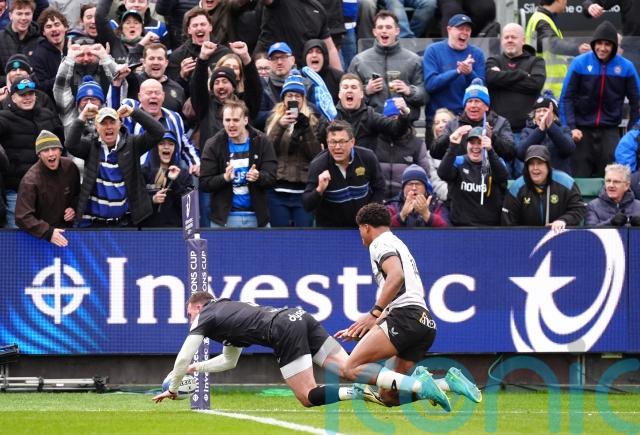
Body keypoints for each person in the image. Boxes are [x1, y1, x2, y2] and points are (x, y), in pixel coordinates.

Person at [152, 291, 455, 408]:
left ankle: (356, 393)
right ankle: (437, 384)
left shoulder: (206, 314)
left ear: (199, 307)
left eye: (189, 313)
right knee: (348, 367)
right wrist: (198, 369)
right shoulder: (227, 313)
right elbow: (229, 362)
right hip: (299, 316)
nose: (190, 319)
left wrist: (174, 386)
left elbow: (182, 355)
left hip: (283, 330)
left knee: (307, 397)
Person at [336, 202, 482, 408]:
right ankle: (447, 383)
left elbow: (396, 276)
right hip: (424, 322)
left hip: (405, 318)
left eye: (359, 228)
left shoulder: (379, 244)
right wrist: (370, 323)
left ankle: (421, 384)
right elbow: (402, 292)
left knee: (350, 368)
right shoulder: (397, 243)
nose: (360, 234)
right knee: (389, 396)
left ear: (366, 227)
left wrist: (374, 314)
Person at [560, 20, 640, 178]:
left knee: (611, 179)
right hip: (581, 131)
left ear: (614, 47)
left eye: (607, 44)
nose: (602, 48)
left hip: (610, 130)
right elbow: (566, 98)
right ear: (593, 43)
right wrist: (570, 127)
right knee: (579, 178)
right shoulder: (579, 63)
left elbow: (637, 102)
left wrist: (632, 131)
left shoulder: (626, 67)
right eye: (599, 43)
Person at [65, 104, 165, 227]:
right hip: (94, 223)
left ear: (120, 125)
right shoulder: (90, 146)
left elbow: (158, 132)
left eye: (112, 122)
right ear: (96, 127)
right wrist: (83, 116)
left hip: (124, 223)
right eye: (103, 123)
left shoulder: (132, 144)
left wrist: (134, 112)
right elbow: (70, 144)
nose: (108, 127)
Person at [199, 99, 277, 228]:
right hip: (224, 219)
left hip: (257, 217)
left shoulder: (262, 141)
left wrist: (258, 177)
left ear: (245, 120)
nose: (231, 125)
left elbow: (272, 178)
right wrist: (224, 178)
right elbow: (204, 183)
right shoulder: (213, 144)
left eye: (235, 120)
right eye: (227, 120)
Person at [0, 78, 64, 228]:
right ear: (13, 97)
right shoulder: (4, 118)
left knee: (47, 235)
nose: (27, 98)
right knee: (17, 238)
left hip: (47, 191)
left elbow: (62, 147)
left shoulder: (48, 115)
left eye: (30, 94)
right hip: (16, 191)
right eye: (22, 95)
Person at [265, 70, 323, 227]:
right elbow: (268, 151)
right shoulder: (273, 119)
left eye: (297, 96)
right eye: (289, 95)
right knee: (279, 236)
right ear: (283, 98)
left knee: (303, 236)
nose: (293, 99)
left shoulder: (313, 120)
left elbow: (315, 155)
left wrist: (306, 130)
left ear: (303, 99)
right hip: (277, 190)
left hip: (303, 190)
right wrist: (280, 126)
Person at [303, 120, 386, 227]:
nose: (337, 147)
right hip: (331, 229)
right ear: (327, 143)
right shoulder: (318, 165)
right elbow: (307, 205)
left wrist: (369, 215)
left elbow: (379, 188)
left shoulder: (367, 157)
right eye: (333, 142)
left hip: (363, 226)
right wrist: (319, 190)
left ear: (352, 142)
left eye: (342, 142)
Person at [348, 10, 425, 121]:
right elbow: (347, 96)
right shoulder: (359, 61)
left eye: (388, 27)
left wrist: (409, 91)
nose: (384, 31)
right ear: (374, 32)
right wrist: (366, 90)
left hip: (404, 124)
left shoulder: (413, 60)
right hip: (370, 126)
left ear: (397, 31)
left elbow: (425, 95)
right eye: (380, 27)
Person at [15, 130, 80, 246]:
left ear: (60, 150)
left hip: (67, 232)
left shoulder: (70, 167)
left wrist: (73, 208)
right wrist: (48, 232)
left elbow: (78, 194)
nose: (51, 154)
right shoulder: (30, 181)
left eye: (54, 149)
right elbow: (22, 217)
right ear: (39, 155)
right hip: (40, 238)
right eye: (45, 150)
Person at [485, 23, 546, 145]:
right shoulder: (493, 60)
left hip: (528, 131)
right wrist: (521, 74)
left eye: (513, 37)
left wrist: (501, 79)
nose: (509, 40)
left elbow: (535, 84)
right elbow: (491, 78)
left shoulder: (536, 61)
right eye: (506, 37)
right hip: (498, 132)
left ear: (523, 40)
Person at [422, 13, 485, 131]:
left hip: (466, 120)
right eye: (460, 28)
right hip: (438, 119)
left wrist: (469, 73)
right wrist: (457, 71)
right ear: (449, 29)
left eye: (468, 29)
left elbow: (482, 90)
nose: (465, 32)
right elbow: (430, 85)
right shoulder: (433, 50)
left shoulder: (477, 54)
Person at [431, 78, 515, 165]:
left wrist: (493, 137)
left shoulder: (500, 122)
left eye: (477, 101)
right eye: (469, 101)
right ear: (465, 106)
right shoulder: (453, 124)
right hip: (460, 171)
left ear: (486, 107)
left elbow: (511, 153)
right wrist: (450, 138)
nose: (473, 105)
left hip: (490, 170)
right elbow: (434, 153)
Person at [502, 145, 585, 232]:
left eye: (539, 163)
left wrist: (563, 220)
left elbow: (578, 208)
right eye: (531, 164)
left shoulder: (566, 182)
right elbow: (508, 222)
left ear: (548, 166)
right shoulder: (517, 187)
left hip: (559, 235)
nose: (535, 168)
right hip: (526, 237)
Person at [438, 126, 508, 226]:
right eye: (472, 142)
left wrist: (490, 150)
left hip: (490, 227)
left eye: (480, 143)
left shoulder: (496, 162)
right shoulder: (458, 161)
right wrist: (453, 145)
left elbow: (502, 177)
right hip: (460, 226)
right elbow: (443, 174)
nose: (475, 146)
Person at [524, 0, 591, 98]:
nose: (566, 3)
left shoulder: (542, 18)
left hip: (546, 88)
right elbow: (552, 44)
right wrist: (578, 49)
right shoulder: (542, 20)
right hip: (548, 90)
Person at [328, 74, 411, 150]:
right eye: (345, 87)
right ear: (339, 94)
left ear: (361, 94)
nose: (349, 90)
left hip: (364, 161)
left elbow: (396, 129)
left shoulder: (370, 116)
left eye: (353, 87)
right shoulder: (330, 117)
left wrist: (404, 113)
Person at [53, 43, 117, 134]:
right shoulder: (70, 114)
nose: (89, 104)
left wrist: (105, 58)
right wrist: (69, 59)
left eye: (93, 99)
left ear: (102, 102)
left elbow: (118, 82)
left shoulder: (110, 111)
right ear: (78, 102)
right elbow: (60, 87)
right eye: (85, 99)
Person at [374, 98, 431, 200]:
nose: (395, 122)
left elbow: (424, 175)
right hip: (378, 198)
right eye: (389, 118)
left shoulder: (417, 144)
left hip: (406, 199)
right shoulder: (374, 141)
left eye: (397, 117)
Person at [166, 7, 229, 97]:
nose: (199, 28)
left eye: (203, 24)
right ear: (189, 30)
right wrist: (182, 76)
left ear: (210, 27)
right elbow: (172, 94)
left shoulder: (224, 53)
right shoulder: (177, 55)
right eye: (195, 25)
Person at [141, 131, 193, 227]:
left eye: (171, 144)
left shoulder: (184, 174)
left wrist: (175, 181)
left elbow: (190, 209)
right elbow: (134, 204)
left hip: (174, 230)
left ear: (175, 149)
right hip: (148, 230)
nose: (166, 147)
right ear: (155, 147)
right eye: (161, 144)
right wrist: (152, 199)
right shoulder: (143, 171)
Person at [517, 93, 575, 175]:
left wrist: (551, 126)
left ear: (554, 115)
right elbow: (521, 154)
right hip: (534, 177)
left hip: (559, 178)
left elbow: (568, 150)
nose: (541, 114)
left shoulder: (564, 130)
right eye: (538, 111)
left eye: (545, 110)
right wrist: (540, 130)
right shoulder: (527, 131)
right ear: (534, 116)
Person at [30, 7, 70, 99]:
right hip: (52, 103)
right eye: (48, 26)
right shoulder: (38, 55)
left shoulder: (76, 48)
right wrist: (64, 77)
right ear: (43, 32)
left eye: (57, 24)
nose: (53, 29)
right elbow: (41, 87)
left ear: (65, 27)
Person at [0, 0, 40, 88]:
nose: (23, 18)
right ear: (10, 16)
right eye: (19, 14)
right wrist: (9, 79)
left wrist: (28, 78)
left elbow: (43, 75)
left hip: (33, 92)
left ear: (32, 15)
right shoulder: (1, 39)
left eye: (27, 14)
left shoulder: (40, 41)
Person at [303, 39, 343, 104]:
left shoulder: (338, 77)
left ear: (324, 56)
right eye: (310, 52)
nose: (314, 55)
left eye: (318, 52)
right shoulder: (298, 78)